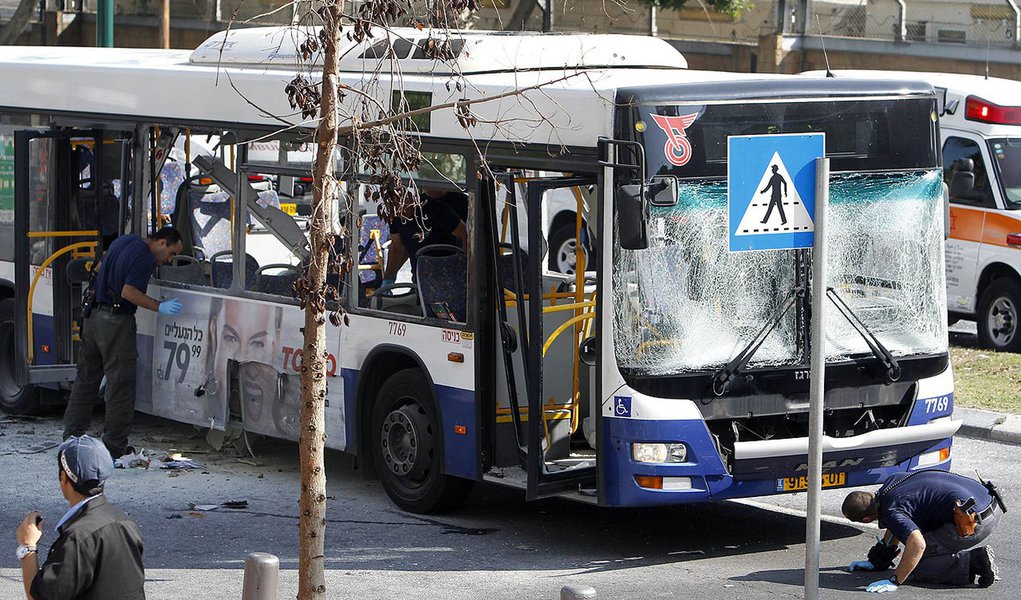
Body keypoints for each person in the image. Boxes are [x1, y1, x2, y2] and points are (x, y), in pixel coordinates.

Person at [63, 227, 185, 458]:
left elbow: (97, 268)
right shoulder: (144, 257)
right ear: (160, 242)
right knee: (120, 386)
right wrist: (159, 306)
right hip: (115, 323)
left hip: (93, 318)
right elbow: (129, 292)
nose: (169, 260)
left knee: (86, 380)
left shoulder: (124, 241)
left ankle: (72, 435)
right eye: (170, 253)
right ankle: (114, 446)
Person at [15, 435, 145, 599]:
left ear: (63, 477)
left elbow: (39, 597)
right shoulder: (126, 523)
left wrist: (27, 547)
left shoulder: (78, 537)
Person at [842, 469, 1005, 592]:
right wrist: (877, 561)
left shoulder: (891, 510)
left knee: (914, 563)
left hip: (974, 523)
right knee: (912, 554)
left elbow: (917, 544)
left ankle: (976, 561)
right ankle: (970, 560)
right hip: (990, 501)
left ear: (866, 519)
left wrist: (895, 580)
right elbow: (897, 525)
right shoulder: (892, 483)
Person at [381, 188, 468, 285]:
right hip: (419, 278)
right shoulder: (394, 216)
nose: (399, 212)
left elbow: (465, 234)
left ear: (410, 197)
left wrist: (464, 269)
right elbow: (398, 247)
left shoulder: (436, 208)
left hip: (448, 276)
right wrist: (388, 278)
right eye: (394, 207)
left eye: (401, 206)